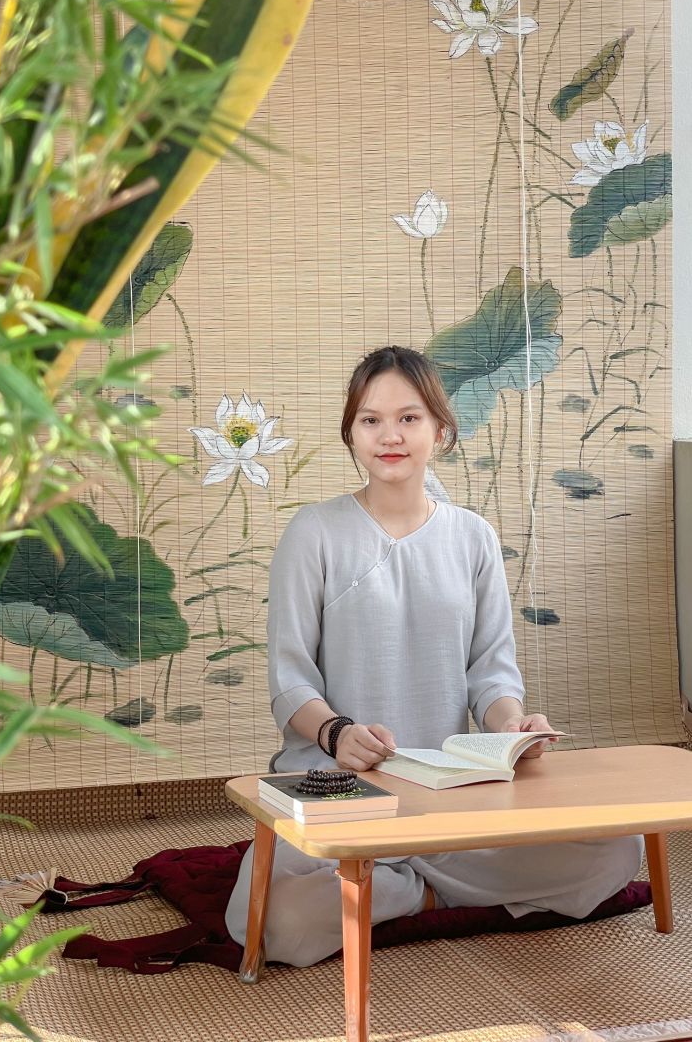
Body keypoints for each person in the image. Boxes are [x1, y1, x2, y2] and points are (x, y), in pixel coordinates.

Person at [225, 345, 643, 967]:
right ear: (351, 434)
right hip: (338, 785)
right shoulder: (313, 532)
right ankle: (430, 891)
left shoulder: (473, 536)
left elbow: (491, 671)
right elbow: (290, 680)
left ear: (440, 431)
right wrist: (337, 733)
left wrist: (511, 728)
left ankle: (404, 888)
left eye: (409, 418)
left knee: (619, 849)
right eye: (371, 420)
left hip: (447, 789)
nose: (389, 436)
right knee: (271, 921)